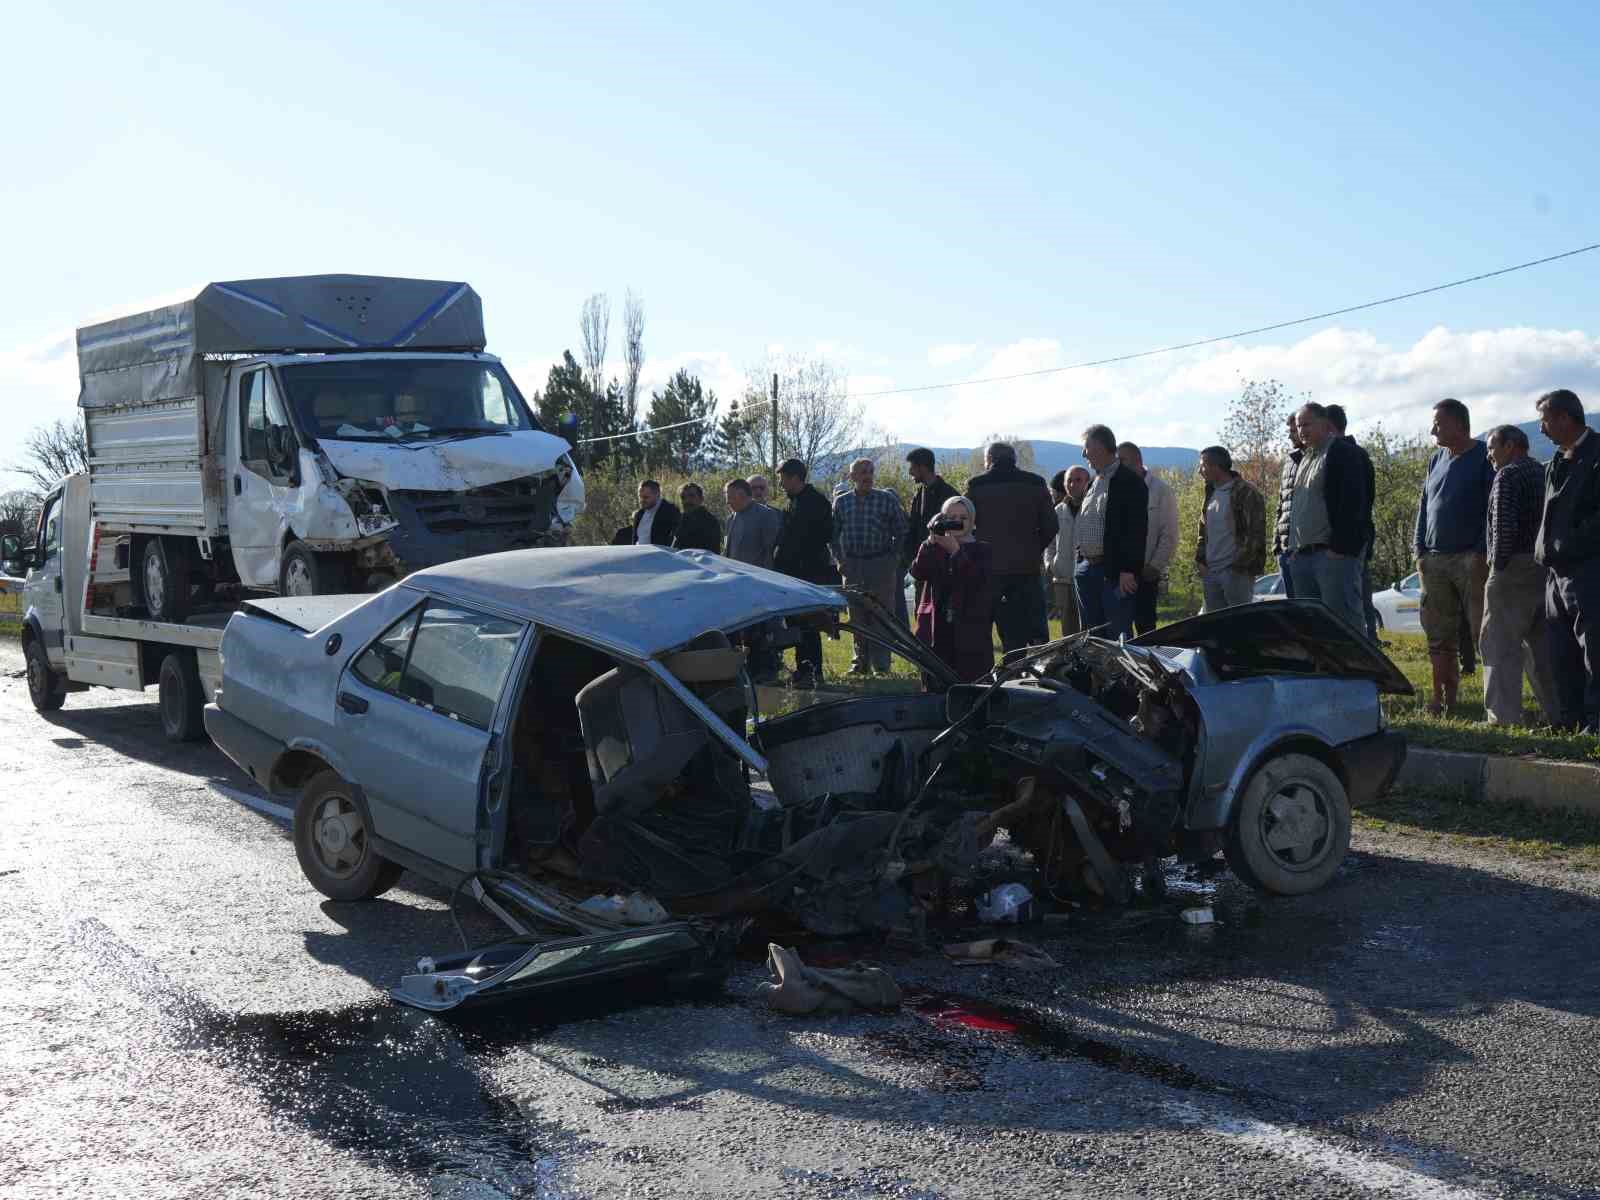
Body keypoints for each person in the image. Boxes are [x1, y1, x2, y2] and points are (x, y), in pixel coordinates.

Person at [1414, 398, 1495, 714]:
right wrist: (1419, 549)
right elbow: (1424, 505)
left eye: (1439, 422)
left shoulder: (1483, 457)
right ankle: (1441, 700)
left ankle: (1495, 705)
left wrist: (1480, 552)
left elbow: (1492, 508)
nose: (1433, 429)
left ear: (1460, 424)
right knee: (1438, 636)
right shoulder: (1436, 460)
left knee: (1482, 634)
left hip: (1469, 560)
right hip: (1433, 561)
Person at [1479, 425, 1557, 726]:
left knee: (1498, 644)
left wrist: (1497, 567)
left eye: (1491, 448)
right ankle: (1556, 714)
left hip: (1511, 567)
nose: (1488, 456)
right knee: (1541, 648)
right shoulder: (1542, 471)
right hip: (1542, 567)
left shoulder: (1507, 475)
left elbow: (1503, 527)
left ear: (1510, 446)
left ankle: (1502, 717)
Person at [1534, 389, 1600, 734]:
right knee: (1560, 649)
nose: (1541, 429)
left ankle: (1596, 721)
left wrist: (1568, 544)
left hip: (1588, 568)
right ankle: (1569, 720)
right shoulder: (1557, 461)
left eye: (1545, 420)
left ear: (1564, 418)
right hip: (1554, 573)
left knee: (1594, 646)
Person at [1282, 403, 1369, 634]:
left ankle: (1356, 670)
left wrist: (1339, 549)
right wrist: (1292, 551)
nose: (1301, 430)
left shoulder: (1343, 453)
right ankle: (1325, 671)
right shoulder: (1305, 457)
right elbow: (1298, 508)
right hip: (1302, 556)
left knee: (1343, 623)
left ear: (1326, 424)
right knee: (1313, 627)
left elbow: (1354, 503)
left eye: (1307, 424)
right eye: (1299, 426)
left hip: (1332, 556)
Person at [966, 442, 1057, 652]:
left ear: (989, 460)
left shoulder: (976, 486)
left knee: (983, 626)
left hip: (989, 568)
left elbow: (965, 523)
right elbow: (1051, 525)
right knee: (1029, 628)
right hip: (1027, 569)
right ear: (1014, 459)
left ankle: (987, 672)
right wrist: (1034, 548)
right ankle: (1030, 670)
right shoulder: (1036, 483)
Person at [831, 458, 908, 675]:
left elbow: (902, 530)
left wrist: (893, 559)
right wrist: (840, 561)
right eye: (862, 472)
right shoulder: (841, 502)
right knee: (857, 616)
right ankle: (860, 663)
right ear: (852, 477)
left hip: (880, 563)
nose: (867, 476)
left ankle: (882, 666)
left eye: (870, 471)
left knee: (881, 615)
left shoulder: (886, 500)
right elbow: (832, 535)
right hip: (853, 564)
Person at [910, 496, 995, 683]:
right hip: (936, 625)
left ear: (972, 521)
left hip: (969, 629)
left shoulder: (983, 550)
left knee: (971, 683)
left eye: (963, 518)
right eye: (952, 517)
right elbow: (918, 572)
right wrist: (929, 543)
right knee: (935, 682)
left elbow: (977, 581)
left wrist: (956, 552)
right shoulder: (934, 546)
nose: (957, 522)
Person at [1075, 424, 1147, 640]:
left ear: (1098, 446)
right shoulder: (1094, 482)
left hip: (1114, 574)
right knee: (1093, 637)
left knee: (1117, 636)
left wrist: (1128, 569)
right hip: (1087, 570)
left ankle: (1121, 675)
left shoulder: (1129, 481)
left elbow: (1136, 529)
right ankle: (1097, 675)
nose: (1083, 453)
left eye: (1086, 447)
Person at [772, 458, 837, 689]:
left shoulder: (816, 502)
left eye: (782, 479)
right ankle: (803, 669)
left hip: (808, 571)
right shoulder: (792, 503)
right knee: (796, 624)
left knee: (809, 623)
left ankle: (812, 670)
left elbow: (824, 535)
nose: (780, 484)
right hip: (791, 572)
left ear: (794, 477)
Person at [1326, 405, 1379, 640]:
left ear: (1327, 426)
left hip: (1347, 545)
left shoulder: (1349, 455)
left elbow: (1354, 504)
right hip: (1348, 543)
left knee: (1350, 605)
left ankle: (1361, 656)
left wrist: (1340, 544)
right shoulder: (1335, 454)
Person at [725, 477, 785, 681]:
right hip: (736, 583)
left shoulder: (766, 516)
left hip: (760, 583)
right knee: (744, 631)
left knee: (764, 630)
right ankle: (748, 670)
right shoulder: (731, 518)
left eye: (730, 497)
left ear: (742, 495)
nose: (727, 501)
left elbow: (771, 550)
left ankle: (768, 669)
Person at [1193, 446, 1267, 611]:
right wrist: (1201, 560)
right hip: (1211, 572)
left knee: (1239, 621)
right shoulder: (1211, 492)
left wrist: (1238, 567)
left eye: (1203, 466)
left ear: (1215, 466)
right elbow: (1203, 531)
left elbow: (1255, 533)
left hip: (1236, 572)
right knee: (1215, 625)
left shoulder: (1246, 492)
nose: (1200, 471)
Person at [1116, 442, 1179, 635]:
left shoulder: (1161, 490)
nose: (1118, 465)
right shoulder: (1115, 488)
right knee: (1119, 629)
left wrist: (1154, 566)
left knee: (1146, 629)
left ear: (1137, 460)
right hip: (1118, 574)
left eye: (1122, 460)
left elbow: (1169, 533)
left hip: (1146, 573)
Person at [904, 448, 959, 610]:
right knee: (922, 613)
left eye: (912, 467)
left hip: (944, 569)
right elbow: (913, 529)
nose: (910, 472)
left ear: (922, 467)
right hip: (923, 567)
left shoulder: (949, 496)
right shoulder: (919, 494)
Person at [1043, 466, 1089, 635]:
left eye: (1078, 480)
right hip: (1062, 578)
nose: (1073, 484)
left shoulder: (1093, 509)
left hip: (1086, 576)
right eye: (1069, 480)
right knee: (1067, 630)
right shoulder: (1058, 511)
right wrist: (1050, 563)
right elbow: (1050, 543)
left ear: (1087, 483)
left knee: (1087, 626)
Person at [1272, 411, 1304, 598]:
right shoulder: (1290, 461)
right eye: (1291, 430)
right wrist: (1276, 543)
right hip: (1285, 547)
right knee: (1294, 606)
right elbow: (1282, 502)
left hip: (1304, 547)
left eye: (1294, 430)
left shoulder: (1316, 458)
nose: (1291, 435)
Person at [672, 482, 722, 553]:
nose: (687, 500)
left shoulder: (710, 521)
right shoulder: (680, 519)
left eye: (691, 496)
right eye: (683, 497)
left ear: (701, 499)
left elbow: (713, 553)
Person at [632, 480, 679, 546]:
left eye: (646, 497)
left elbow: (675, 538)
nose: (642, 500)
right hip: (639, 554)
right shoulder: (639, 514)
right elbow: (635, 540)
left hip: (660, 554)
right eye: (640, 497)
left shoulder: (671, 511)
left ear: (657, 494)